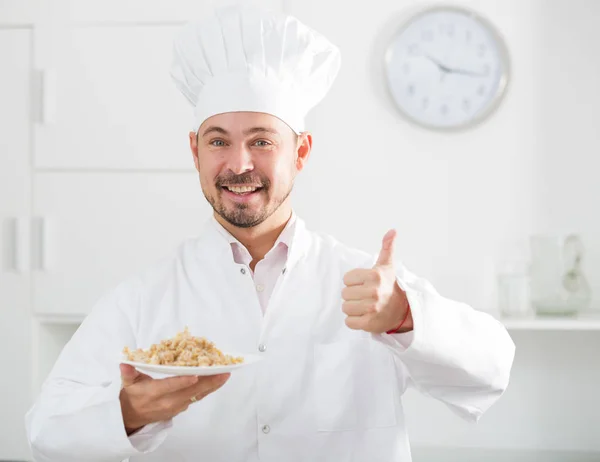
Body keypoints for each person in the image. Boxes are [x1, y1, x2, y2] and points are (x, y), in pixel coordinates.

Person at [25, 5, 515, 462]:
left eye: (262, 141)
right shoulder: (144, 297)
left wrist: (405, 317)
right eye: (219, 142)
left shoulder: (367, 286)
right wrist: (129, 414)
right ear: (195, 151)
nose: (239, 165)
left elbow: (493, 368)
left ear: (300, 152)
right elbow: (45, 429)